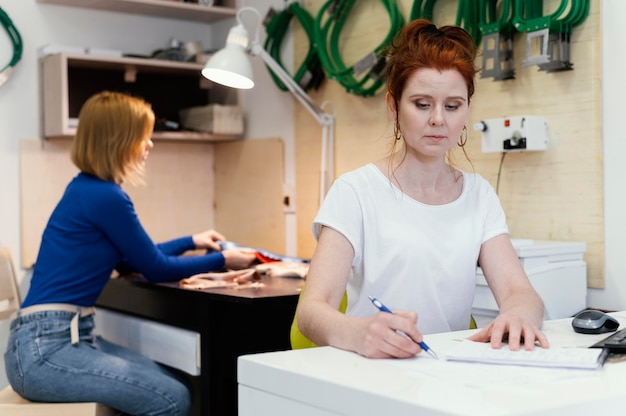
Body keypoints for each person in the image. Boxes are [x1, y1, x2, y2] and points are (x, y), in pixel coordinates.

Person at [295, 19, 549, 359]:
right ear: (393, 106)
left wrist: (518, 315)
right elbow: (311, 311)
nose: (438, 120)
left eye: (453, 105)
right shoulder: (355, 191)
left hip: (445, 372)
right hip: (370, 370)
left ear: (467, 109)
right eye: (422, 104)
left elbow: (522, 293)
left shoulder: (479, 195)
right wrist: (359, 332)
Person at [4, 91, 256, 415]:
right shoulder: (106, 196)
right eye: (143, 136)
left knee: (167, 380)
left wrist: (191, 240)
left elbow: (133, 258)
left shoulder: (86, 188)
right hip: (47, 349)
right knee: (171, 398)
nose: (149, 144)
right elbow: (156, 268)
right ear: (118, 140)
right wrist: (224, 259)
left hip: (54, 339)